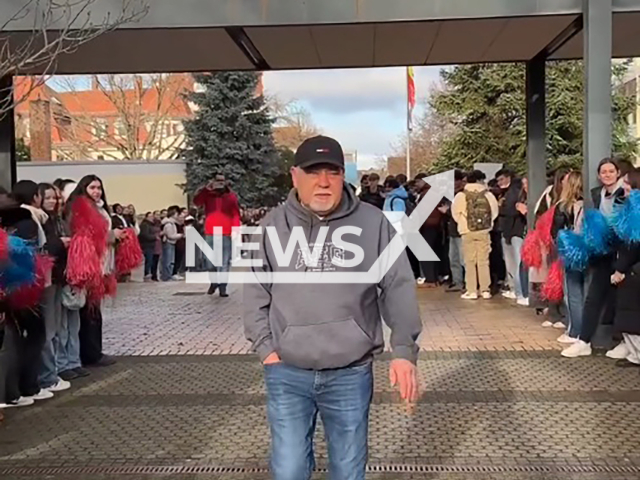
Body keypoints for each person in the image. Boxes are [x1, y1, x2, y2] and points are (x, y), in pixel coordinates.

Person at [244, 135, 422, 480]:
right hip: (287, 373)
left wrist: (403, 350)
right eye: (313, 172)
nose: (323, 182)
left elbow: (398, 286)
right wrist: (267, 349)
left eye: (333, 172)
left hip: (350, 373)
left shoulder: (374, 224)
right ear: (295, 176)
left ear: (343, 176)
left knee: (348, 471)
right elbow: (252, 291)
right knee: (289, 469)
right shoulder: (269, 227)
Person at [561, 158, 625, 358]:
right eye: (603, 172)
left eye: (611, 171)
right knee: (593, 297)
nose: (607, 175)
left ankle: (624, 342)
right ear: (599, 175)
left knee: (622, 300)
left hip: (623, 253)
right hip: (603, 253)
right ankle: (584, 340)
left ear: (618, 173)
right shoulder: (597, 194)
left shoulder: (626, 193)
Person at [66, 175, 122, 367]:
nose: (97, 191)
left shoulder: (97, 207)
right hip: (90, 266)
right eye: (92, 187)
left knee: (93, 311)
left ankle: (93, 351)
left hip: (102, 264)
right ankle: (91, 353)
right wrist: (111, 236)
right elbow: (87, 234)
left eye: (99, 187)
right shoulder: (81, 208)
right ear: (84, 188)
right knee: (89, 312)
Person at [452, 169, 499, 300]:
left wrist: (463, 224)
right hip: (484, 231)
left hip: (467, 231)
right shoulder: (488, 195)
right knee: (483, 261)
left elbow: (455, 213)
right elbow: (494, 213)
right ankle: (485, 290)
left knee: (469, 261)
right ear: (480, 180)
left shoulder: (461, 195)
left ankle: (472, 290)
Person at [610, 168, 640, 367]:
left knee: (630, 315)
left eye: (628, 186)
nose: (625, 190)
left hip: (634, 270)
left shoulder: (635, 212)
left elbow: (633, 244)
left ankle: (637, 355)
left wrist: (619, 269)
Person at [193, 173, 241, 297]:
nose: (220, 183)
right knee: (209, 262)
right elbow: (197, 202)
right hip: (210, 232)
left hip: (225, 233)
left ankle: (222, 287)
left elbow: (235, 213)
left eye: (222, 181)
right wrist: (205, 188)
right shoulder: (208, 195)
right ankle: (214, 282)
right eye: (217, 181)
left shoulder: (231, 196)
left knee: (224, 262)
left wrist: (235, 229)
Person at [551, 171, 585, 344]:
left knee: (572, 294)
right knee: (585, 293)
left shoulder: (563, 206)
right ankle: (584, 331)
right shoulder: (588, 202)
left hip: (570, 251)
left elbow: (555, 231)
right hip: (587, 251)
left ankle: (574, 331)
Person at [496, 168, 527, 304]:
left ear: (508, 177)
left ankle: (519, 291)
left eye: (501, 179)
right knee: (512, 262)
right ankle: (516, 289)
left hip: (514, 231)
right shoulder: (510, 192)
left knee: (515, 262)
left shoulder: (513, 192)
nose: (499, 183)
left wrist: (500, 209)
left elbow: (511, 210)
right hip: (511, 231)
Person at [414, 172, 444, 287]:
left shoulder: (426, 194)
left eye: (418, 181)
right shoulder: (435, 192)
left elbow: (422, 212)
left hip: (427, 226)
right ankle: (434, 278)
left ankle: (430, 280)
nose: (417, 184)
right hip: (436, 226)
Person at [446, 170, 467, 292]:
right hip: (452, 230)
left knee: (463, 258)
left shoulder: (464, 194)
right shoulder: (452, 194)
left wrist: (447, 211)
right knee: (453, 257)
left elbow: (459, 211)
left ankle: (468, 283)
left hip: (461, 230)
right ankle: (457, 281)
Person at [160, 206, 183, 282]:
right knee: (168, 260)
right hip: (169, 243)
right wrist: (180, 235)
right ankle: (167, 276)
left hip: (172, 243)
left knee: (170, 260)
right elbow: (170, 235)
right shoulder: (169, 224)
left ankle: (169, 275)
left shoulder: (172, 223)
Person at [139, 212, 157, 281]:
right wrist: (154, 237)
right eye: (150, 216)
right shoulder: (145, 225)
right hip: (147, 245)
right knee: (148, 261)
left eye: (152, 216)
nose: (152, 217)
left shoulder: (151, 224)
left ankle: (149, 275)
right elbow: (145, 235)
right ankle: (147, 275)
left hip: (151, 245)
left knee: (151, 260)